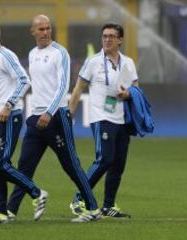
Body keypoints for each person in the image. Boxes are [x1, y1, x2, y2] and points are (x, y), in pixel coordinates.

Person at [3, 15, 102, 223]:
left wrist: (49, 112)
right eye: (41, 29)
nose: (45, 32)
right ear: (33, 31)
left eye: (48, 28)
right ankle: (10, 210)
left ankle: (92, 208)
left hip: (56, 117)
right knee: (24, 166)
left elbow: (63, 86)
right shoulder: (32, 54)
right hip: (36, 118)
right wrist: (39, 113)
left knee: (70, 164)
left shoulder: (60, 53)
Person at [0, 20, 48, 225]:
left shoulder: (6, 56)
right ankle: (0, 212)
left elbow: (25, 80)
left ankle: (37, 192)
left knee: (1, 164)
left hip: (8, 117)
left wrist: (8, 104)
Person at [68, 23, 143, 218]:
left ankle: (108, 205)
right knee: (105, 159)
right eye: (104, 36)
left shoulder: (128, 62)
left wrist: (128, 93)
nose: (107, 39)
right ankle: (79, 197)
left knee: (118, 164)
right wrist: (69, 114)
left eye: (111, 36)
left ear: (120, 40)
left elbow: (136, 89)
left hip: (123, 119)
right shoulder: (93, 62)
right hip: (101, 117)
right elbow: (78, 89)